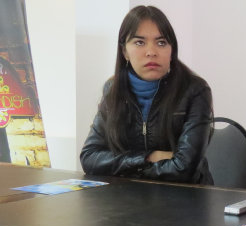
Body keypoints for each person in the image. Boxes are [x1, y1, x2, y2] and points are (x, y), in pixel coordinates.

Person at [80, 6, 213, 184]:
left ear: (171, 50)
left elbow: (184, 169)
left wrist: (123, 167)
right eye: (139, 42)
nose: (151, 52)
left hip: (185, 199)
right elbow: (90, 159)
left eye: (161, 42)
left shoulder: (195, 91)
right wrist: (148, 157)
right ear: (124, 51)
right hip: (126, 199)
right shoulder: (113, 90)